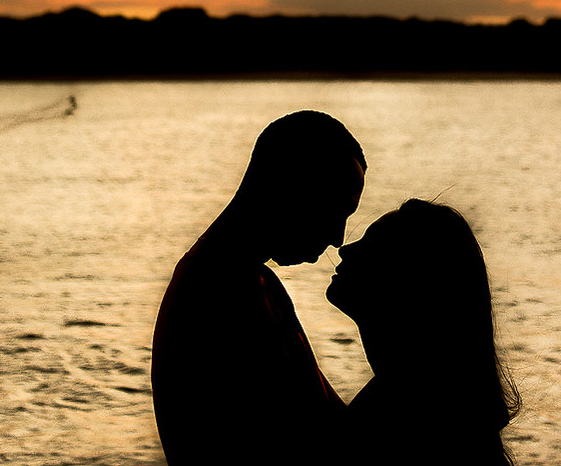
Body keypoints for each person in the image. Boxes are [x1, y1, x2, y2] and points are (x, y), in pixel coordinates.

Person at [151, 110, 367, 465]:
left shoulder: (256, 284)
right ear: (291, 187)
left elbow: (329, 425)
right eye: (334, 210)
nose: (337, 237)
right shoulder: (217, 297)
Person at [327, 199, 520, 465]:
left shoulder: (403, 415)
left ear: (408, 282)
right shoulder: (432, 402)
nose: (345, 249)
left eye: (372, 246)